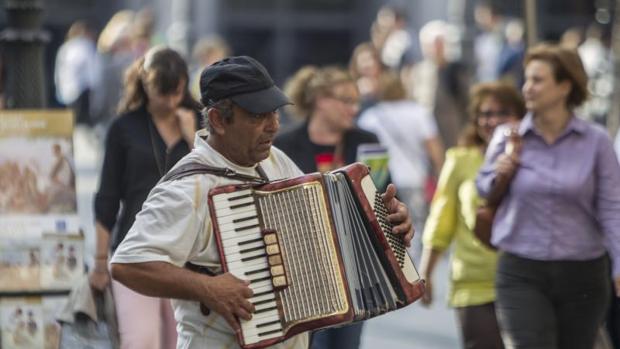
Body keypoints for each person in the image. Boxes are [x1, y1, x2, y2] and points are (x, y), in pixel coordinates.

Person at [108, 55, 415, 349]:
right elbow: (128, 265)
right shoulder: (188, 188)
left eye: (275, 112)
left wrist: (384, 223)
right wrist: (208, 288)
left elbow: (322, 220)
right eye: (257, 116)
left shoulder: (274, 159)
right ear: (218, 119)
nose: (273, 125)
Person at [476, 44, 620, 349]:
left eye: (537, 80)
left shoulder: (596, 142)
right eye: (526, 79)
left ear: (565, 86)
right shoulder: (508, 137)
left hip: (583, 275)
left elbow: (612, 208)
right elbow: (483, 190)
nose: (527, 88)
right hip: (521, 270)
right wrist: (500, 172)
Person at [91, 46, 202, 349]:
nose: (169, 101)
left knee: (182, 342)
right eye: (161, 93)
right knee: (140, 341)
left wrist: (193, 138)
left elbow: (213, 179)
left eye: (176, 93)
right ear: (144, 84)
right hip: (134, 248)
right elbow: (107, 198)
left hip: (187, 252)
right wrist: (100, 263)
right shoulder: (123, 127)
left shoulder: (200, 124)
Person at [274, 65, 381, 348]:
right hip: (304, 270)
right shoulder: (283, 144)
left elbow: (382, 198)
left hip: (356, 266)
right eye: (346, 101)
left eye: (356, 102)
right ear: (321, 99)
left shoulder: (367, 142)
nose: (354, 109)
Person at [420, 81, 525, 349]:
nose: (493, 121)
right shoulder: (460, 159)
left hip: (526, 280)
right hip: (472, 282)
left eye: (503, 113)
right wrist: (426, 273)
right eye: (486, 114)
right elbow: (441, 220)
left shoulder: (533, 158)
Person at [358, 72, 444, 235]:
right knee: (417, 227)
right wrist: (440, 175)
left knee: (390, 229)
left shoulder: (370, 117)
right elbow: (434, 149)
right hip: (414, 179)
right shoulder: (418, 112)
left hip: (382, 183)